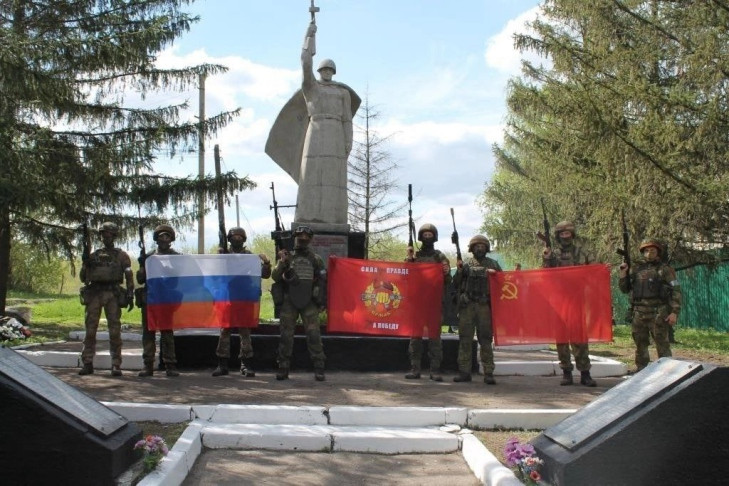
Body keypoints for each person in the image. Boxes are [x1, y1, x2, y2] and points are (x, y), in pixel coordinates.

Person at [265, 20, 360, 226]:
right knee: (310, 175)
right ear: (319, 71)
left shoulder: (343, 92)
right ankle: (308, 216)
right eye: (323, 70)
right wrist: (309, 36)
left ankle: (334, 218)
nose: (326, 73)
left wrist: (348, 140)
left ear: (333, 72)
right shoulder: (312, 88)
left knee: (334, 177)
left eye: (329, 70)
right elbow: (305, 63)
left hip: (336, 133)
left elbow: (347, 119)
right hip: (315, 131)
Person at [542, 220, 597, 387]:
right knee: (562, 339)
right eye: (562, 234)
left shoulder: (583, 252)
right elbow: (545, 275)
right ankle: (566, 372)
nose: (565, 236)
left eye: (568, 233)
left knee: (580, 338)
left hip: (578, 299)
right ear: (558, 236)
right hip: (559, 300)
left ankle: (585, 373)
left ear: (572, 234)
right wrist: (546, 259)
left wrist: (603, 269)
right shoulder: (553, 254)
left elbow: (594, 271)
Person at [211, 227, 272, 377]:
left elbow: (264, 274)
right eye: (234, 237)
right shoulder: (224, 255)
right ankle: (222, 364)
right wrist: (220, 258)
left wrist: (266, 263)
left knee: (245, 332)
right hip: (228, 297)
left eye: (240, 237)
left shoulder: (249, 257)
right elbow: (214, 274)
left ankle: (246, 364)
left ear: (244, 239)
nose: (236, 239)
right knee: (224, 331)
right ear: (229, 239)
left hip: (244, 298)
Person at [271, 225, 326, 381]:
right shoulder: (287, 256)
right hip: (289, 300)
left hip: (309, 301)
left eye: (305, 237)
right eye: (299, 237)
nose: (302, 240)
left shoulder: (316, 259)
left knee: (314, 335)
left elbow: (322, 280)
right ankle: (283, 367)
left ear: (309, 240)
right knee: (286, 336)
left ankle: (319, 367)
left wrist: (321, 301)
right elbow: (275, 277)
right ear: (294, 238)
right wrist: (282, 262)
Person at [78, 222, 134, 376]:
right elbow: (84, 278)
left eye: (109, 234)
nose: (106, 237)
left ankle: (116, 364)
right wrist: (85, 263)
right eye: (103, 234)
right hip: (95, 293)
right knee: (90, 330)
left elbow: (129, 274)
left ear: (114, 236)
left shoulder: (121, 255)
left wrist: (130, 292)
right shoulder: (93, 255)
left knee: (114, 331)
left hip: (112, 294)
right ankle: (87, 362)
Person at [618, 239, 681, 372]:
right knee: (640, 344)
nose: (649, 253)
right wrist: (623, 274)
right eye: (646, 251)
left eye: (652, 250)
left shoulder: (665, 269)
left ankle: (666, 371)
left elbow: (676, 290)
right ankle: (641, 370)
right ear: (643, 253)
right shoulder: (636, 269)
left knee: (662, 344)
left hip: (658, 312)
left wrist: (674, 312)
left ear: (658, 252)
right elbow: (625, 289)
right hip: (639, 312)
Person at [404, 224, 451, 382]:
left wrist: (445, 270)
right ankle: (415, 368)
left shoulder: (440, 257)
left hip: (434, 304)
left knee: (434, 338)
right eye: (425, 234)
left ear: (435, 237)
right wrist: (409, 258)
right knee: (415, 338)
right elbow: (405, 276)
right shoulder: (415, 256)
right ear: (420, 236)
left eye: (430, 235)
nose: (427, 237)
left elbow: (448, 280)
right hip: (417, 303)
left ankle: (435, 370)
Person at [453, 235, 502, 384]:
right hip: (468, 306)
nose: (479, 248)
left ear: (486, 248)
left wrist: (496, 276)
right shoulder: (466, 264)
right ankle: (464, 372)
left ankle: (488, 372)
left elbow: (503, 283)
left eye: (482, 246)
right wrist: (460, 271)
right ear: (472, 248)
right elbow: (455, 283)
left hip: (484, 306)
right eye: (476, 246)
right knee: (465, 340)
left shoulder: (493, 264)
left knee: (486, 340)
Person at [136, 224, 181, 378]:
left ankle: (170, 365)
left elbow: (181, 278)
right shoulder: (149, 257)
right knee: (148, 332)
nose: (164, 239)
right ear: (156, 239)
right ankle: (147, 365)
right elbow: (140, 279)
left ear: (171, 239)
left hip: (167, 299)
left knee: (167, 332)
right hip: (151, 298)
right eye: (161, 236)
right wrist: (143, 265)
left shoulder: (177, 258)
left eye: (167, 236)